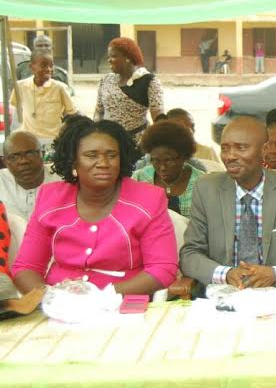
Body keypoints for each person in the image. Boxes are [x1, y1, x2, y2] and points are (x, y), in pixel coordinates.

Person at [11, 118, 178, 295]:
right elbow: (26, 267)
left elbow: (162, 269)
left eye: (111, 155)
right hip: (59, 302)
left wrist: (102, 297)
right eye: (91, 155)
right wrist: (50, 298)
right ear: (73, 161)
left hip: (123, 302)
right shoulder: (50, 197)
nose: (103, 163)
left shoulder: (149, 198)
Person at [180, 116, 276, 293]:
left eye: (241, 148)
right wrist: (226, 274)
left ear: (264, 150)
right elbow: (189, 255)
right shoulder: (206, 189)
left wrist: (275, 274)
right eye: (225, 148)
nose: (230, 156)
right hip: (223, 295)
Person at [93, 37, 165, 144]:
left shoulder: (148, 81)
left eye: (114, 56)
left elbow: (158, 118)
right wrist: (96, 132)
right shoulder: (106, 80)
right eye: (109, 57)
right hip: (108, 142)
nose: (109, 60)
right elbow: (99, 112)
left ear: (128, 58)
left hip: (136, 144)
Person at [132, 121, 204, 218]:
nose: (162, 168)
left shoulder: (202, 183)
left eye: (169, 160)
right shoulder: (139, 178)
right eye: (156, 160)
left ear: (184, 156)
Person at [9, 50, 77, 142]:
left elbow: (72, 114)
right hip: (30, 141)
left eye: (51, 65)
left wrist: (63, 132)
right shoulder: (20, 87)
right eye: (43, 65)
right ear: (32, 67)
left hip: (53, 140)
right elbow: (16, 114)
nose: (48, 69)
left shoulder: (60, 88)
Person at [0, 131, 61, 220]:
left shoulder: (63, 178)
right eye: (14, 157)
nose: (23, 161)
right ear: (5, 162)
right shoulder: (1, 181)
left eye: (30, 153)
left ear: (43, 154)